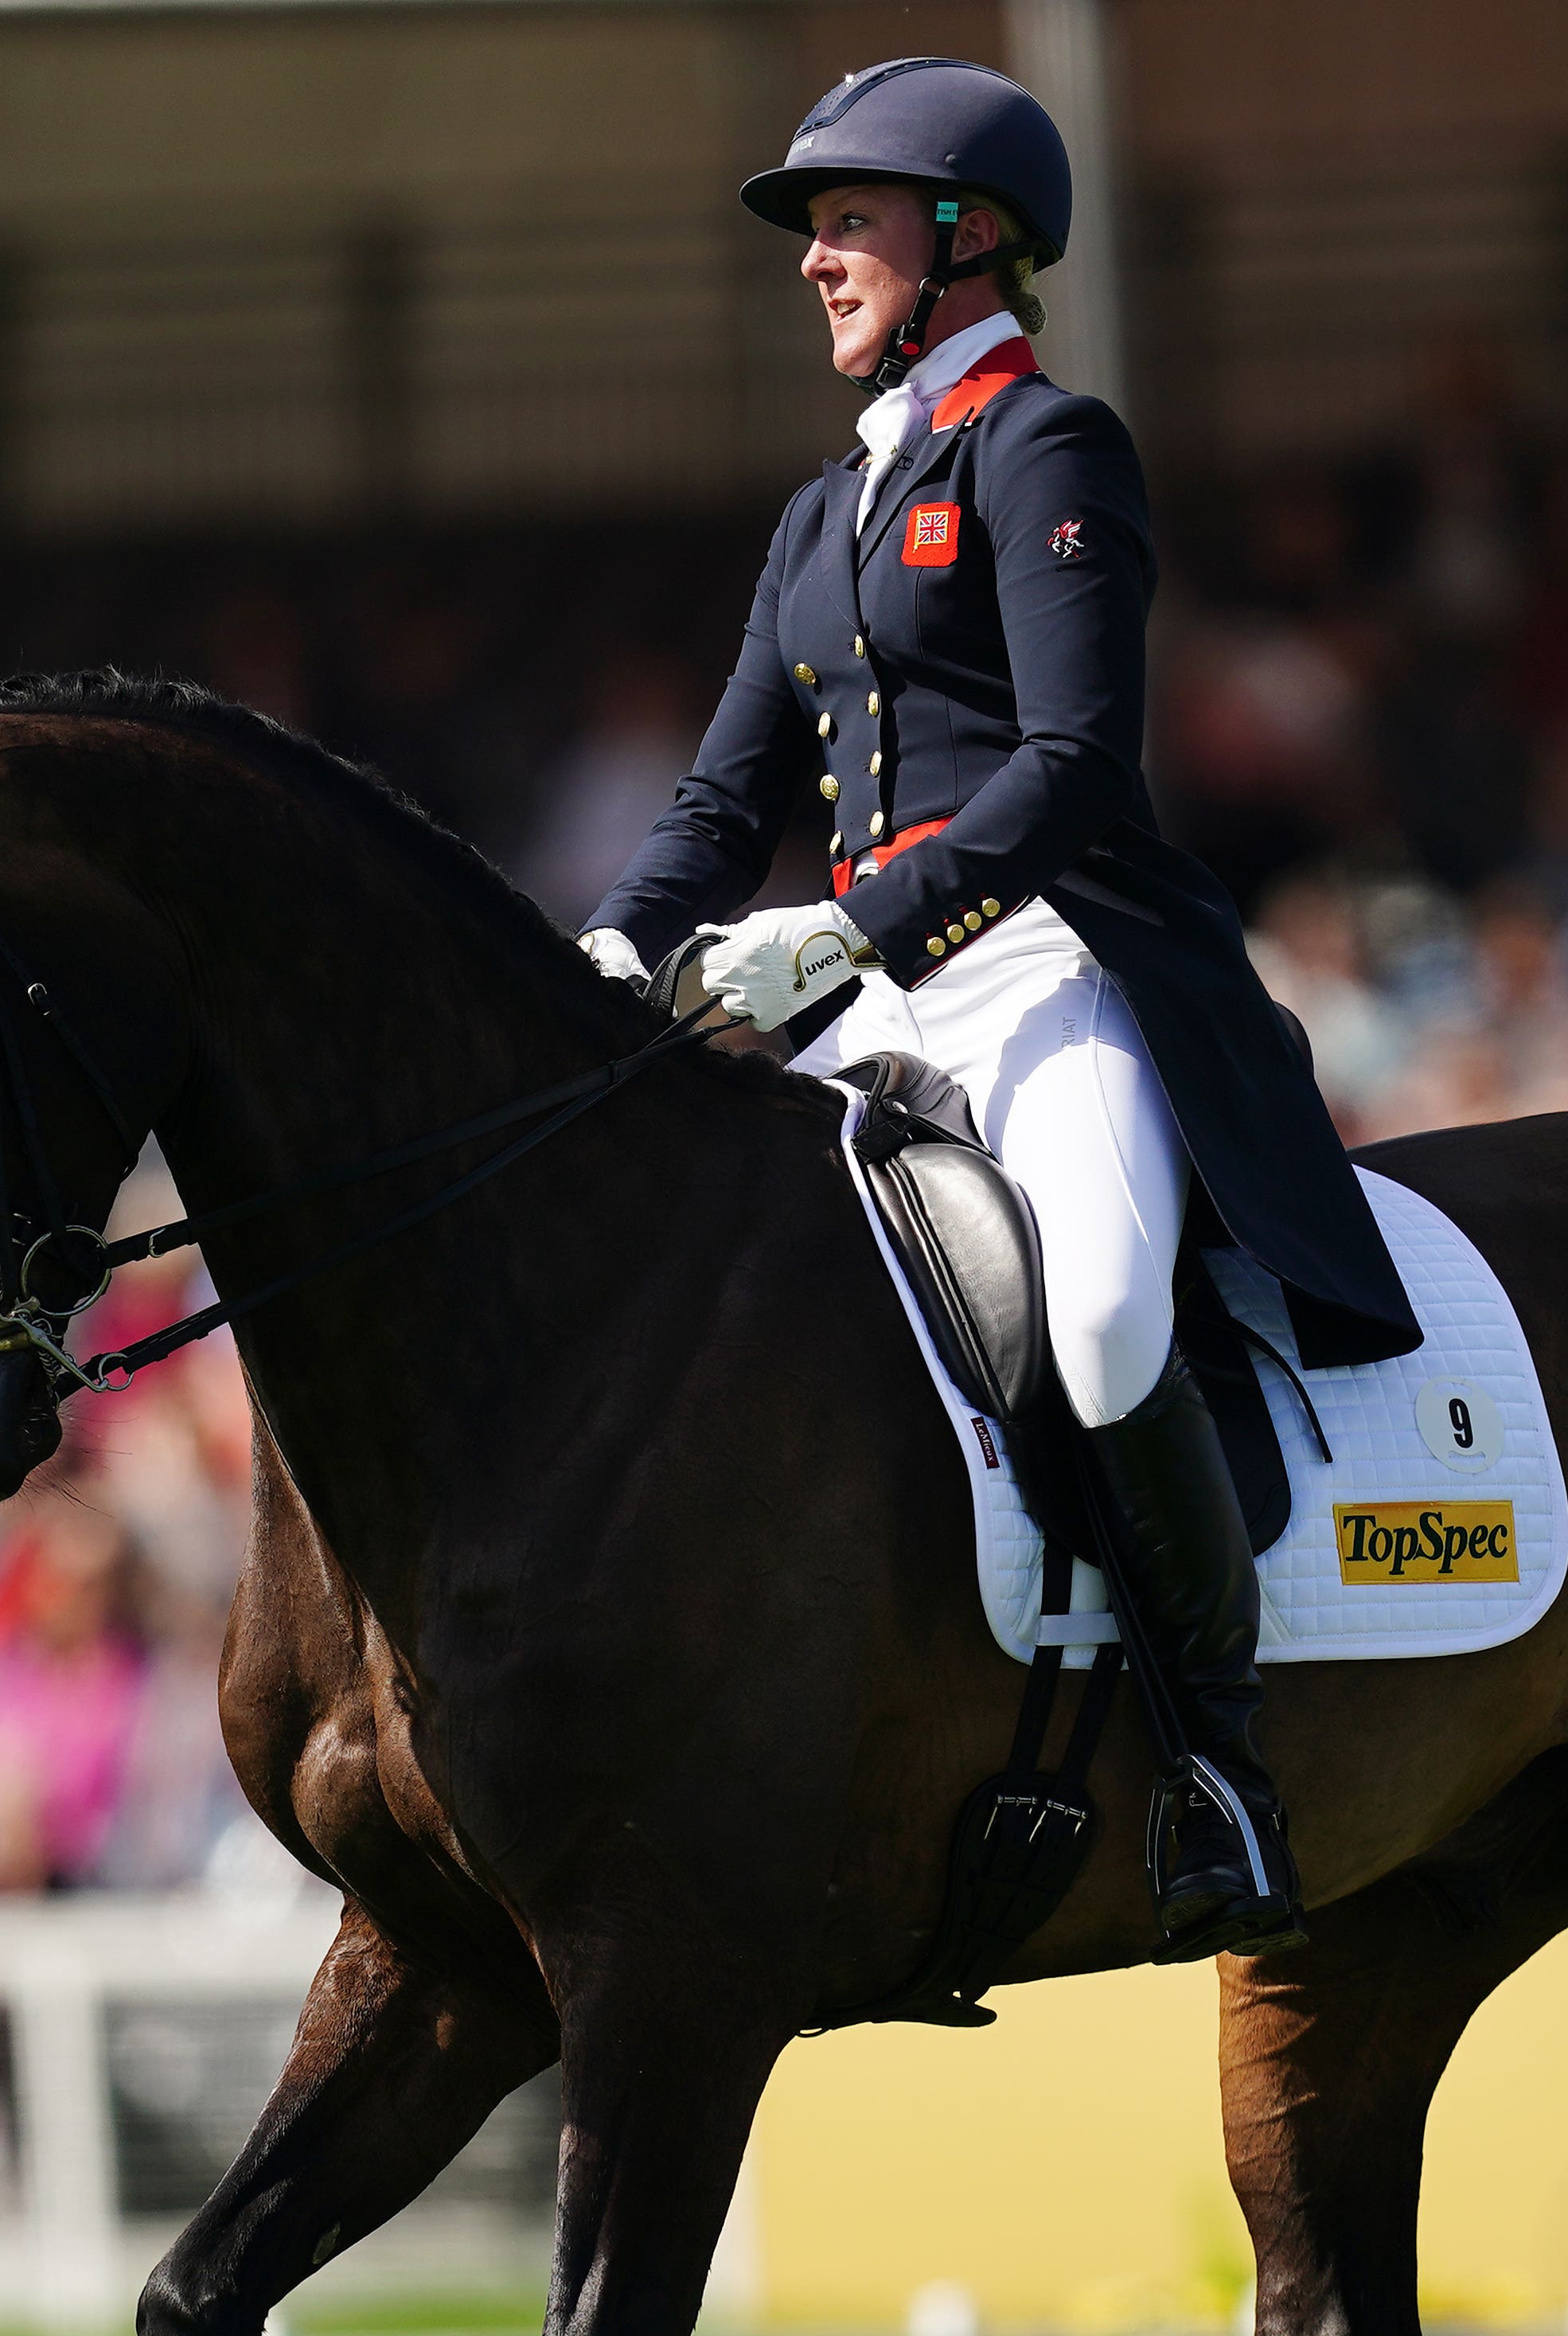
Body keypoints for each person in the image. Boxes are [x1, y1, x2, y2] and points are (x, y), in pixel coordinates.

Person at [579, 58, 1421, 1959]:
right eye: (811, 228)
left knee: (1110, 1317)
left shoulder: (1049, 448)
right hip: (870, 999)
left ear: (970, 239)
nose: (814, 259)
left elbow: (1074, 767)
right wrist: (609, 951)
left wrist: (852, 922)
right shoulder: (826, 509)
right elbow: (723, 802)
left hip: (1055, 966)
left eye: (850, 218)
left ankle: (1222, 1766)